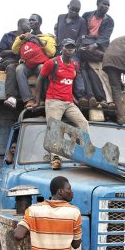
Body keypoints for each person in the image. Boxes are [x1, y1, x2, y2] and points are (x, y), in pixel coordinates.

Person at [36, 39, 90, 169]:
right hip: (54, 100)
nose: (70, 49)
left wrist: (75, 99)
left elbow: (70, 83)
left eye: (72, 47)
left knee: (83, 123)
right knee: (54, 127)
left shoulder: (74, 65)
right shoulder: (52, 62)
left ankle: (84, 154)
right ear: (62, 48)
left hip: (68, 102)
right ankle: (55, 157)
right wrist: (37, 100)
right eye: (67, 47)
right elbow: (40, 79)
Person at [12, 14, 57, 108]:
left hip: (40, 63)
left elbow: (51, 53)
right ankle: (29, 99)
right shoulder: (23, 36)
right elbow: (14, 50)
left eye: (33, 20)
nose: (30, 21)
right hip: (27, 65)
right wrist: (23, 39)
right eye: (29, 20)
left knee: (42, 68)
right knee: (19, 69)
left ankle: (44, 98)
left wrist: (38, 40)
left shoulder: (48, 37)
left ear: (39, 23)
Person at [82, 0, 115, 105]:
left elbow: (105, 37)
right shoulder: (87, 15)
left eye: (108, 5)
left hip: (99, 45)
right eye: (104, 4)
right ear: (97, 4)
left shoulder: (109, 20)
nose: (106, 7)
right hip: (86, 41)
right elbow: (81, 30)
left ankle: (108, 99)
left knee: (103, 69)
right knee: (83, 64)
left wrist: (95, 45)